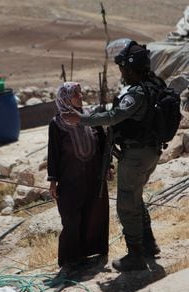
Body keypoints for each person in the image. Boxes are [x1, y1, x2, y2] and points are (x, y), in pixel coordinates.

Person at [61, 40, 161, 272]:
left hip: (136, 155)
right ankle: (149, 244)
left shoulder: (136, 93)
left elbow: (115, 116)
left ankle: (136, 255)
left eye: (123, 67)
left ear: (130, 67)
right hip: (150, 152)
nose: (122, 72)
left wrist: (82, 120)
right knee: (135, 197)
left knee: (127, 203)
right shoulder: (154, 84)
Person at [47, 82, 109, 275]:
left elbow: (103, 143)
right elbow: (54, 153)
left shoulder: (91, 116)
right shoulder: (57, 123)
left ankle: (94, 252)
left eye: (81, 93)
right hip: (70, 179)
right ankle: (71, 260)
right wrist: (53, 180)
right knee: (71, 217)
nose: (81, 97)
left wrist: (108, 166)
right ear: (65, 98)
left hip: (94, 174)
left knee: (95, 213)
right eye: (76, 94)